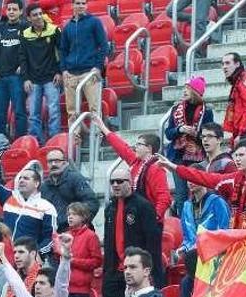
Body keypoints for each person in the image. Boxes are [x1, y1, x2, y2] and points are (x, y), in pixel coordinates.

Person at [159, 138, 246, 231]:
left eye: (241, 155)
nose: (237, 159)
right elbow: (204, 177)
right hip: (237, 240)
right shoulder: (233, 179)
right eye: (236, 155)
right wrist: (174, 167)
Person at [171, 163, 231, 297]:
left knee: (189, 282)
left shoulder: (218, 202)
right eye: (188, 179)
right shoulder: (186, 206)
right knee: (186, 283)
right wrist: (182, 249)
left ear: (204, 178)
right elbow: (188, 238)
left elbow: (224, 231)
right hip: (195, 259)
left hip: (216, 257)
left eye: (195, 178)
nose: (191, 182)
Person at [101, 164, 163, 297]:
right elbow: (108, 242)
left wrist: (152, 273)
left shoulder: (144, 206)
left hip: (137, 270)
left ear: (130, 183)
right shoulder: (109, 208)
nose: (115, 185)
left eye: (120, 181)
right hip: (114, 271)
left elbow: (153, 243)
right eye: (112, 182)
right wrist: (107, 270)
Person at [0, 160, 57, 256]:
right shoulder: (8, 197)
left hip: (28, 259)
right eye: (20, 178)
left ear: (36, 183)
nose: (21, 180)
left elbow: (50, 239)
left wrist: (36, 254)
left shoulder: (47, 208)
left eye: (26, 178)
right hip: (4, 255)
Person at [94, 118, 171, 220]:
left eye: (139, 144)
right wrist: (103, 127)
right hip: (134, 215)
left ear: (149, 148)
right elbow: (121, 147)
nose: (135, 147)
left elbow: (164, 197)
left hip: (147, 217)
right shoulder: (136, 161)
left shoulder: (157, 168)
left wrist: (154, 218)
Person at [165, 76, 214, 213]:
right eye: (184, 88)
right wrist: (179, 130)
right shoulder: (176, 109)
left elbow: (210, 133)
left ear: (196, 91)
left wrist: (196, 134)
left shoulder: (206, 111)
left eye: (188, 88)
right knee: (180, 194)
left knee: (198, 191)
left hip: (198, 158)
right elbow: (168, 133)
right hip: (178, 157)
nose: (185, 91)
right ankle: (182, 225)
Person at [59, 0, 106, 132]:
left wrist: (97, 67)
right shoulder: (67, 27)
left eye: (83, 3)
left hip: (89, 72)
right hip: (71, 74)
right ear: (72, 5)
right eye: (78, 3)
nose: (80, 6)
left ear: (86, 5)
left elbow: (103, 46)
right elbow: (63, 50)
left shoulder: (95, 22)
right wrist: (64, 70)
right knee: (72, 112)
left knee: (94, 109)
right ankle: (75, 140)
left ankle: (97, 136)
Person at [20, 4, 60, 143]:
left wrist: (59, 72)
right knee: (33, 115)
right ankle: (37, 142)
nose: (38, 17)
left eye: (40, 13)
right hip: (33, 79)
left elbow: (61, 53)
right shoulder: (24, 34)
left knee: (54, 111)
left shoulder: (54, 30)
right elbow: (22, 58)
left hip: (51, 78)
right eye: (35, 15)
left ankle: (55, 140)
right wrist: (25, 78)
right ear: (29, 18)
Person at [0, 0, 27, 137]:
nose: (11, 12)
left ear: (21, 11)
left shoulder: (26, 28)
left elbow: (32, 51)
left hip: (17, 78)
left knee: (20, 111)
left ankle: (20, 141)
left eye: (14, 9)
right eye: (9, 9)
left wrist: (24, 66)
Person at [65, 202, 101, 297]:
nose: (70, 217)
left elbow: (97, 261)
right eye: (69, 214)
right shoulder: (66, 235)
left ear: (83, 217)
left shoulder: (90, 236)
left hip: (81, 290)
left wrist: (74, 261)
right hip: (66, 289)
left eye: (74, 214)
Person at [40, 148, 98, 231]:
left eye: (57, 161)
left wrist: (78, 223)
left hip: (77, 232)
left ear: (65, 163)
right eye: (50, 161)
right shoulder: (44, 187)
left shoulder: (75, 179)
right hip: (54, 234)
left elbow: (92, 203)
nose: (53, 164)